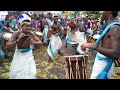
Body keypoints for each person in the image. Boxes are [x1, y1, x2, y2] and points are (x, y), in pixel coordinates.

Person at [81, 11, 120, 79]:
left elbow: (116, 54)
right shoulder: (110, 26)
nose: (101, 12)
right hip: (101, 64)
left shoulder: (115, 28)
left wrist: (95, 46)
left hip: (104, 66)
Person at [6, 14, 43, 79]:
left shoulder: (31, 33)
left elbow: (41, 43)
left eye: (30, 26)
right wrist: (17, 40)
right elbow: (7, 45)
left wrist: (33, 42)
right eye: (26, 26)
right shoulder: (16, 33)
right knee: (16, 73)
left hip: (28, 55)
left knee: (32, 73)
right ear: (21, 26)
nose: (29, 28)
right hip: (18, 55)